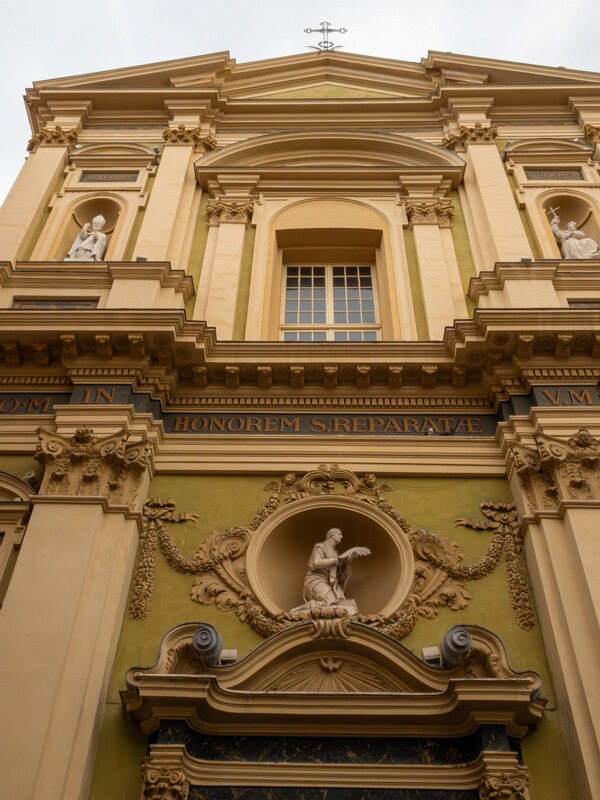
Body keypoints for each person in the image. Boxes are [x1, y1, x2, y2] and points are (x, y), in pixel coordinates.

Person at [302, 528, 370, 608]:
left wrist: (347, 562)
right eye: (339, 534)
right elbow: (316, 563)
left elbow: (341, 577)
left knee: (339, 604)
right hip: (316, 581)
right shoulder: (320, 546)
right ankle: (304, 608)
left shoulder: (335, 553)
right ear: (331, 535)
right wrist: (335, 560)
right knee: (332, 602)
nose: (341, 536)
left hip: (331, 585)